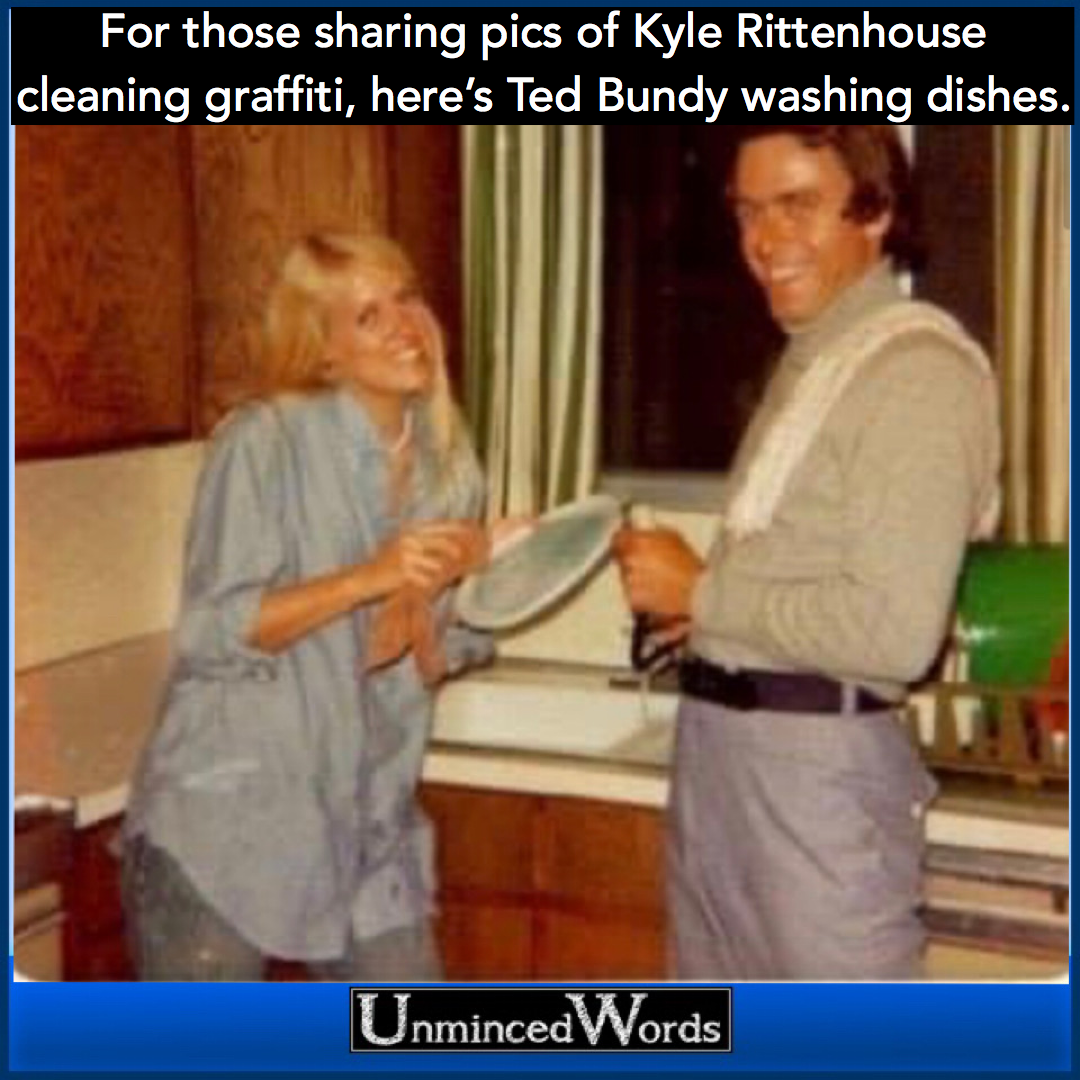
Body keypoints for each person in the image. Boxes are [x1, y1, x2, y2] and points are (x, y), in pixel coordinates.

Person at [613, 126, 1001, 980]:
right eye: (750, 211)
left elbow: (895, 634)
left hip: (814, 782)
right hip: (725, 766)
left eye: (797, 205)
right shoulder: (815, 361)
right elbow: (800, 569)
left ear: (877, 211)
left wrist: (708, 594)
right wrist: (703, 619)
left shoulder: (918, 373)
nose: (764, 239)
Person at [121, 232, 498, 981]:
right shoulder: (265, 443)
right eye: (368, 315)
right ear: (324, 351)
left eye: (408, 297)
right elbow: (212, 631)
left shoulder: (451, 472)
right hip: (230, 827)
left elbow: (418, 659)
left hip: (366, 824)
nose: (404, 324)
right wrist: (371, 576)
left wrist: (451, 608)